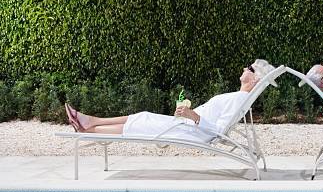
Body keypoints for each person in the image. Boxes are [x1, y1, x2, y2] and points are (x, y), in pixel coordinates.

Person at [64, 59, 276, 143]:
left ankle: (88, 127)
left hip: (190, 131)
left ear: (256, 78)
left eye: (249, 69)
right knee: (142, 117)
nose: (243, 68)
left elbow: (218, 130)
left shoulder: (239, 98)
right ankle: (90, 122)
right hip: (187, 125)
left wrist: (193, 116)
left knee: (142, 122)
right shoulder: (238, 97)